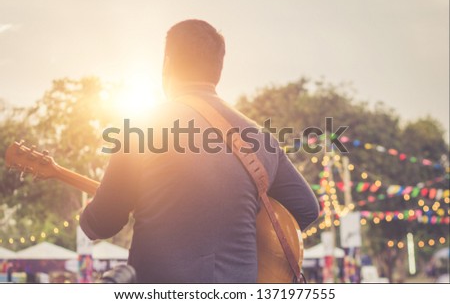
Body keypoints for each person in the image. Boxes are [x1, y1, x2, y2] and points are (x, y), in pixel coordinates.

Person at [80, 19, 319, 283]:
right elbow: (307, 208)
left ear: (167, 63)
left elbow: (102, 224)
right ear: (218, 70)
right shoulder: (261, 139)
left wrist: (91, 212)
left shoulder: (142, 127)